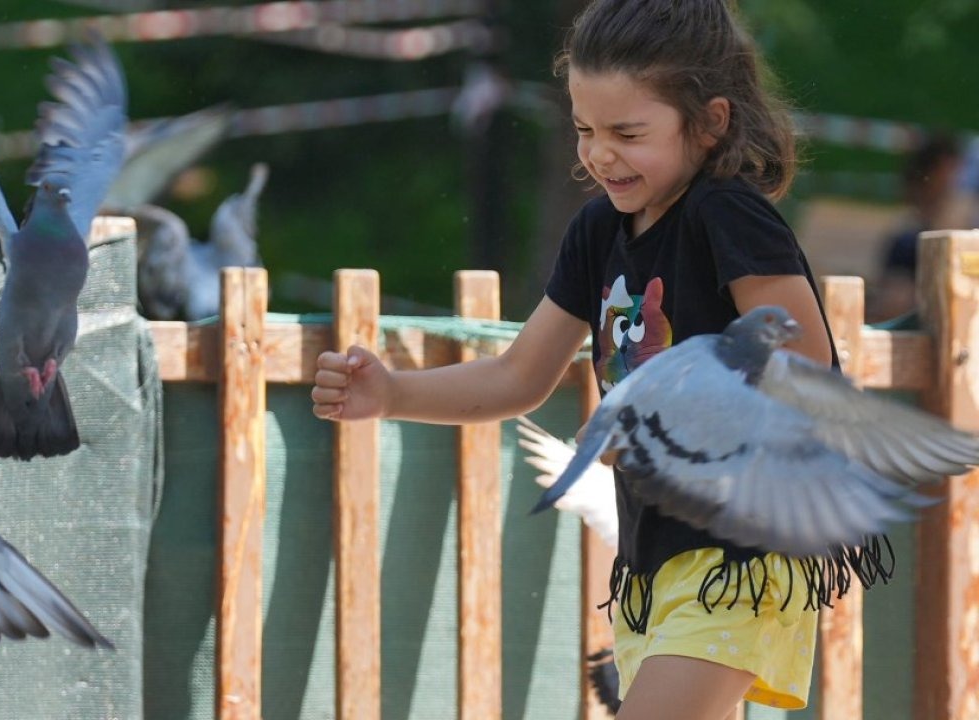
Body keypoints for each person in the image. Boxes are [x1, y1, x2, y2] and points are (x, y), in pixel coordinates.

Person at [309, 2, 884, 718]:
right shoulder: (597, 233)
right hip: (652, 567)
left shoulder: (727, 215)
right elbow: (516, 377)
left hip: (743, 554)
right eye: (584, 130)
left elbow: (803, 360)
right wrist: (393, 393)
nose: (599, 154)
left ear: (710, 122)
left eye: (628, 133)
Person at [872, 132, 963, 321]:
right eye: (948, 171)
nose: (952, 179)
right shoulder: (907, 236)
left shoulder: (962, 211)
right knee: (897, 297)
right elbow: (892, 298)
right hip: (918, 292)